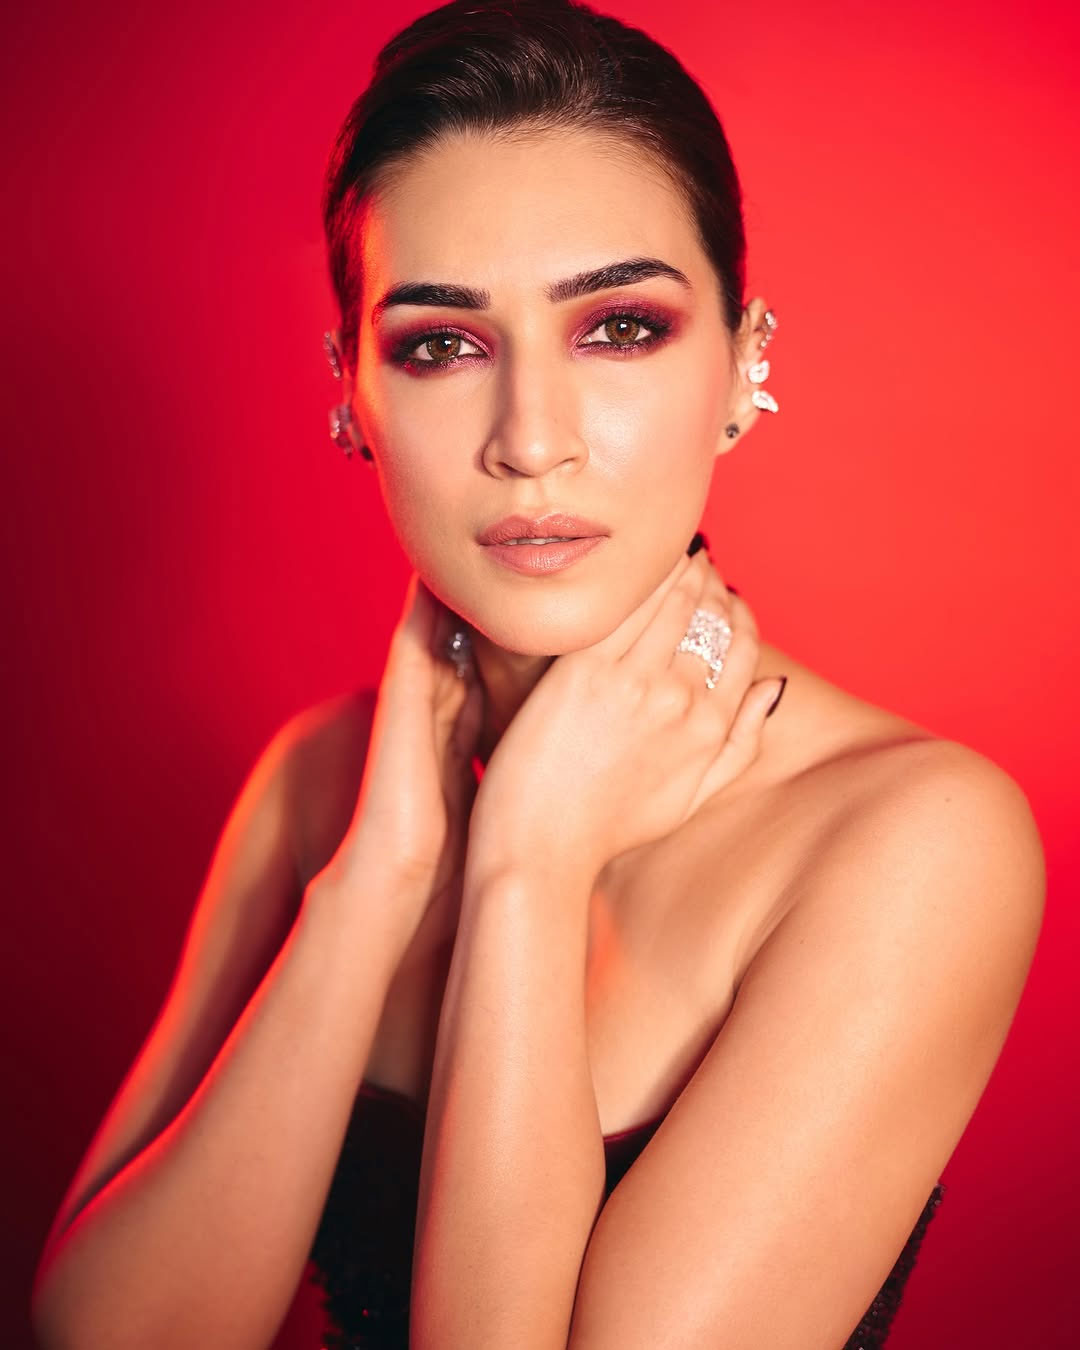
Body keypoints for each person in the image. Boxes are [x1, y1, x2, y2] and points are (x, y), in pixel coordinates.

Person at [31, 1, 1046, 1347]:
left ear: (744, 362)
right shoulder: (326, 785)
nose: (530, 439)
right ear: (350, 392)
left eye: (618, 327)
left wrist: (530, 861)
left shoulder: (911, 838)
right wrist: (381, 875)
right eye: (441, 344)